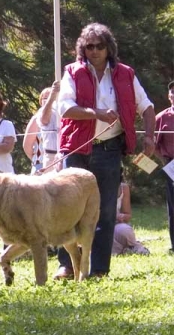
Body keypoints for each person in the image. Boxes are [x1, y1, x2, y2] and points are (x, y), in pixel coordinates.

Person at [54, 22, 155, 280]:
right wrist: (96, 113)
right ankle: (66, 266)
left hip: (110, 149)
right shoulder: (72, 73)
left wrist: (151, 138)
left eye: (100, 46)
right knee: (68, 208)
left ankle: (99, 269)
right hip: (77, 148)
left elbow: (147, 107)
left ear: (109, 48)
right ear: (83, 49)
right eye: (89, 46)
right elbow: (65, 108)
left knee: (106, 211)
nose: (95, 50)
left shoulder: (125, 74)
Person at [23, 81, 60, 173]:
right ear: (40, 100)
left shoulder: (59, 116)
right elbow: (27, 145)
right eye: (45, 98)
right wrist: (37, 159)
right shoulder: (37, 118)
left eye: (50, 97)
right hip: (40, 163)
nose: (47, 100)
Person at [155, 81, 174, 253]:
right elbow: (154, 145)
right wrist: (165, 162)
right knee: (173, 205)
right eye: (173, 92)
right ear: (169, 96)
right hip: (171, 165)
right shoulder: (162, 118)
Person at [112, 181, 150, 256]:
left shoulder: (123, 188)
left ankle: (131, 247)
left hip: (115, 225)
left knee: (125, 230)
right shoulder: (92, 185)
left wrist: (120, 216)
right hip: (97, 227)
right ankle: (124, 249)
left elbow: (127, 215)